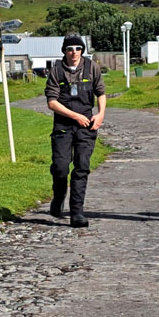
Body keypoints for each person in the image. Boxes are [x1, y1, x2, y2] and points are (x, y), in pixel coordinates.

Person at [45, 34, 106, 228]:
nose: (74, 52)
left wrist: (101, 114)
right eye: (70, 49)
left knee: (82, 167)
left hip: (87, 126)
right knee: (61, 167)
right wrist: (74, 116)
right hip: (63, 126)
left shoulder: (91, 67)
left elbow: (101, 93)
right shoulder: (56, 71)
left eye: (77, 49)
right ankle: (59, 195)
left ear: (82, 50)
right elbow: (52, 103)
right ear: (64, 51)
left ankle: (77, 212)